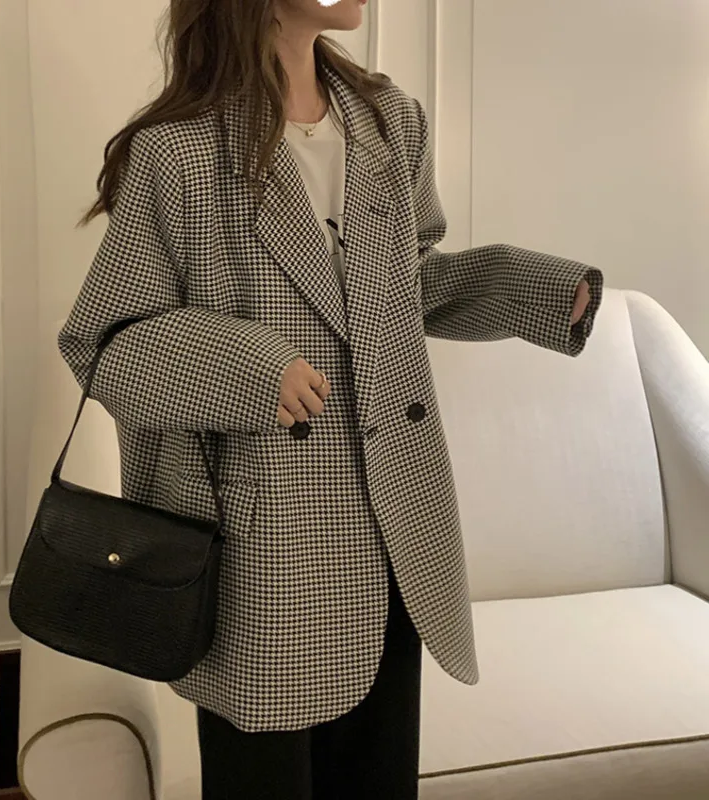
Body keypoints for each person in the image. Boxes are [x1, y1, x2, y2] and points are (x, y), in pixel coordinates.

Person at [59, 0, 603, 797]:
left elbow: (403, 287)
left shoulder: (389, 121)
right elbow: (103, 344)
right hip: (262, 552)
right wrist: (249, 369)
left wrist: (535, 292)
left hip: (393, 537)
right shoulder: (179, 150)